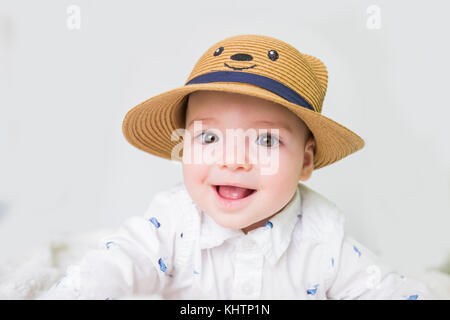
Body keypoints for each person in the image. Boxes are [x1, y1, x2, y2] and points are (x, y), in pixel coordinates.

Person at [38, 34, 435, 299]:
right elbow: (117, 265)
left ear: (306, 161)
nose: (232, 160)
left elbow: (383, 289)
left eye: (265, 140)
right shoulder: (172, 224)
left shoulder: (323, 239)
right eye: (208, 138)